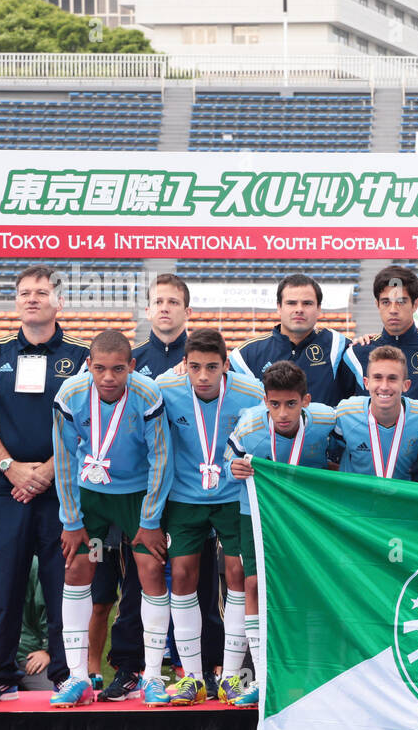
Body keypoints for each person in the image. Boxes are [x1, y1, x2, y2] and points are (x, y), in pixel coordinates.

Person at [0, 265, 90, 701]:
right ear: (15, 301)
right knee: (0, 586)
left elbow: (89, 423)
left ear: (59, 300)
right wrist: (10, 467)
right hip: (3, 490)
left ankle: (66, 675)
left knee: (63, 587)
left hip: (61, 491)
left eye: (41, 291)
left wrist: (49, 470)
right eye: (24, 292)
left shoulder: (83, 356)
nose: (31, 298)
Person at [101, 272, 226, 702]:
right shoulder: (130, 363)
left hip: (196, 493)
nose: (166, 308)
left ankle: (205, 668)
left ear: (187, 311)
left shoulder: (211, 357)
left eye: (174, 301)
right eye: (159, 301)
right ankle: (132, 667)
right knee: (140, 582)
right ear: (148, 309)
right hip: (147, 496)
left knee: (201, 582)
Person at [50, 330, 171, 707]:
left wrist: (150, 519)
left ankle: (152, 676)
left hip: (135, 498)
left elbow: (161, 459)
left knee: (150, 570)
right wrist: (71, 521)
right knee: (77, 570)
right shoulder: (70, 395)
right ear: (88, 365)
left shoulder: (147, 395)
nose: (108, 377)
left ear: (131, 367)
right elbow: (65, 458)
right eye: (100, 368)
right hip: (92, 499)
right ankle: (78, 678)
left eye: (118, 369)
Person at [156, 329, 264, 707]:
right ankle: (193, 678)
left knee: (237, 575)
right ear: (184, 364)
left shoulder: (251, 393)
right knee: (182, 575)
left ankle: (232, 677)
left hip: (233, 496)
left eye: (212, 367)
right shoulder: (165, 389)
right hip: (185, 496)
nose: (203, 376)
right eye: (195, 367)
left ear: (226, 366)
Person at [227, 361, 337, 707]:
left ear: (306, 400)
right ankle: (261, 676)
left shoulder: (325, 422)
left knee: (306, 586)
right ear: (265, 401)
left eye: (291, 403)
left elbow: (337, 460)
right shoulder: (249, 429)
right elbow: (231, 463)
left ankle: (309, 674)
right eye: (274, 404)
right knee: (255, 584)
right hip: (257, 514)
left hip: (305, 518)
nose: (283, 413)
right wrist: (236, 467)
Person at [342, 265, 418, 413]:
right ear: (377, 304)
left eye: (401, 302)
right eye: (386, 302)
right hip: (371, 437)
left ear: (415, 304)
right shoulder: (356, 354)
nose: (393, 310)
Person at [230, 273, 350, 407]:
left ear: (319, 309)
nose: (299, 309)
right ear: (279, 307)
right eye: (291, 303)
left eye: (307, 303)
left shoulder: (338, 346)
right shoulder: (246, 356)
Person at [330, 346, 418, 480]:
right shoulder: (345, 413)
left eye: (392, 378)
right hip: (355, 499)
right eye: (378, 378)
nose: (384, 387)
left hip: (400, 499)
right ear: (366, 383)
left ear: (406, 385)